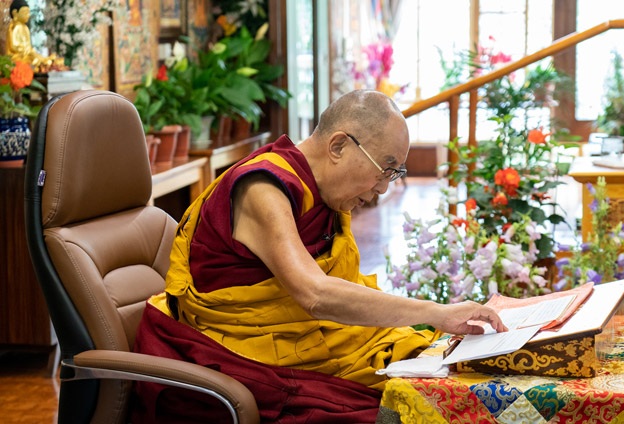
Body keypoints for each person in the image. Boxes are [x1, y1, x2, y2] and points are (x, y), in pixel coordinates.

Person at [133, 90, 506, 423]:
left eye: (395, 173)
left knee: (448, 373)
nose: (380, 189)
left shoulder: (322, 196)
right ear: (339, 146)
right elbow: (315, 294)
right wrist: (436, 313)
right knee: (405, 410)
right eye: (384, 169)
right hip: (250, 361)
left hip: (319, 345)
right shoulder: (263, 189)